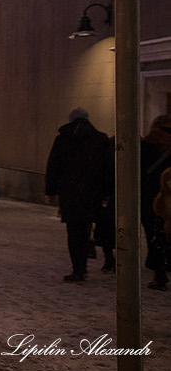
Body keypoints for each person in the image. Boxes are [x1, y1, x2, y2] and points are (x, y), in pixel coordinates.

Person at [44, 107, 114, 283]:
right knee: (89, 226)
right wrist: (107, 191)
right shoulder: (100, 139)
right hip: (93, 192)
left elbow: (53, 166)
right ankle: (102, 258)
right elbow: (108, 168)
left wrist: (51, 190)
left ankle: (79, 268)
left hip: (70, 193)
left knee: (74, 231)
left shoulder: (62, 140)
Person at [141, 114, 171, 290]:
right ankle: (160, 273)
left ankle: (160, 274)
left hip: (158, 202)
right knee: (158, 237)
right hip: (158, 200)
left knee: (157, 238)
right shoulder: (152, 148)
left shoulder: (150, 147)